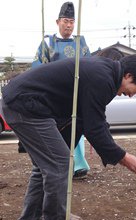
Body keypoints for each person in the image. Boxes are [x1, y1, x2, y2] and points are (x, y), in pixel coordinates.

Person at [1, 54, 136, 220]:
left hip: (20, 103)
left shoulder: (104, 72)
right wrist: (123, 157)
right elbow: (95, 126)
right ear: (128, 75)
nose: (132, 95)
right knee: (60, 165)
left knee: (46, 166)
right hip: (26, 106)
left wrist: (116, 154)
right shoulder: (103, 78)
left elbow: (87, 118)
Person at [19, 2, 90, 181]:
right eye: (66, 21)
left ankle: (78, 166)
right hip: (52, 95)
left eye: (72, 22)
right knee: (54, 131)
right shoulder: (47, 42)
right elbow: (38, 68)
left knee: (76, 128)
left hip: (74, 93)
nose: (69, 25)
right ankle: (54, 164)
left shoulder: (80, 42)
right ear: (58, 21)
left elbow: (89, 66)